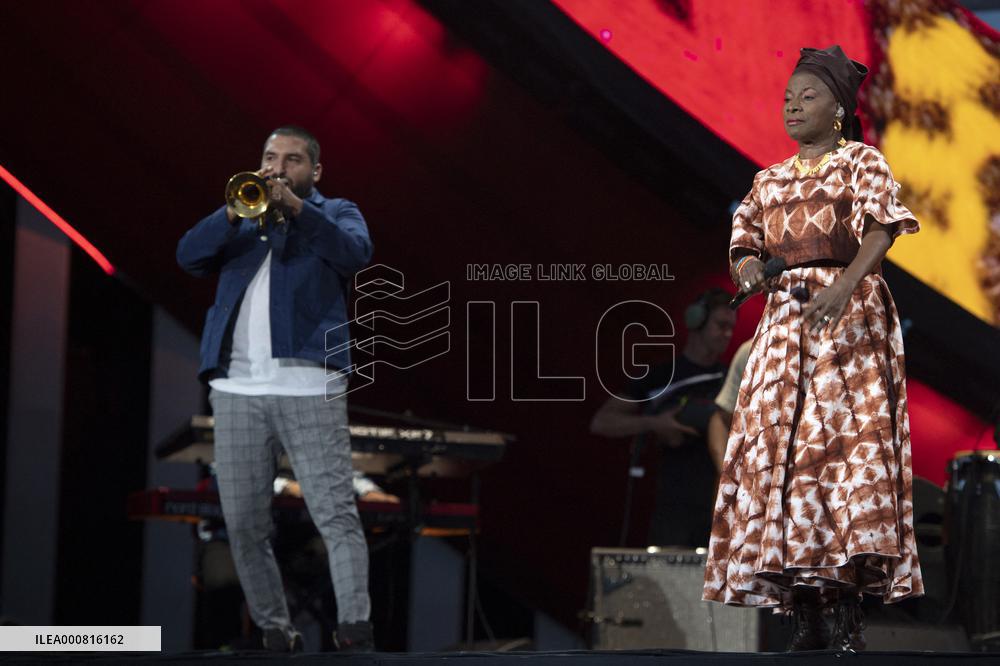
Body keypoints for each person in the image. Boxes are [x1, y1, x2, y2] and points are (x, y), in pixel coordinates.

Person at [701, 46, 924, 652]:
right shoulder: (767, 180)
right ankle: (802, 611)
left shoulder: (862, 163)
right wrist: (748, 268)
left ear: (838, 112)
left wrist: (847, 285)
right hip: (786, 321)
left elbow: (882, 230)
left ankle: (847, 613)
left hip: (849, 318)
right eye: (787, 98)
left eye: (808, 97)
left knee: (846, 457)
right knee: (789, 455)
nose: (793, 106)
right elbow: (743, 238)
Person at [177, 126, 374, 652]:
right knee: (242, 522)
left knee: (334, 512)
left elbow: (356, 254)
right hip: (237, 388)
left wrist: (298, 210)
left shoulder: (335, 213)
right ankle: (275, 631)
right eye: (270, 157)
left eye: (291, 160)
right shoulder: (243, 216)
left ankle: (354, 628)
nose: (277, 168)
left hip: (310, 384)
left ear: (314, 171)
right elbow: (187, 256)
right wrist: (230, 215)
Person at [591, 288, 735, 547]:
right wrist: (655, 423)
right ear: (697, 321)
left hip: (717, 503)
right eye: (720, 325)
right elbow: (602, 421)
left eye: (731, 327)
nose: (727, 334)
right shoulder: (662, 377)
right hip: (673, 505)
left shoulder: (731, 380)